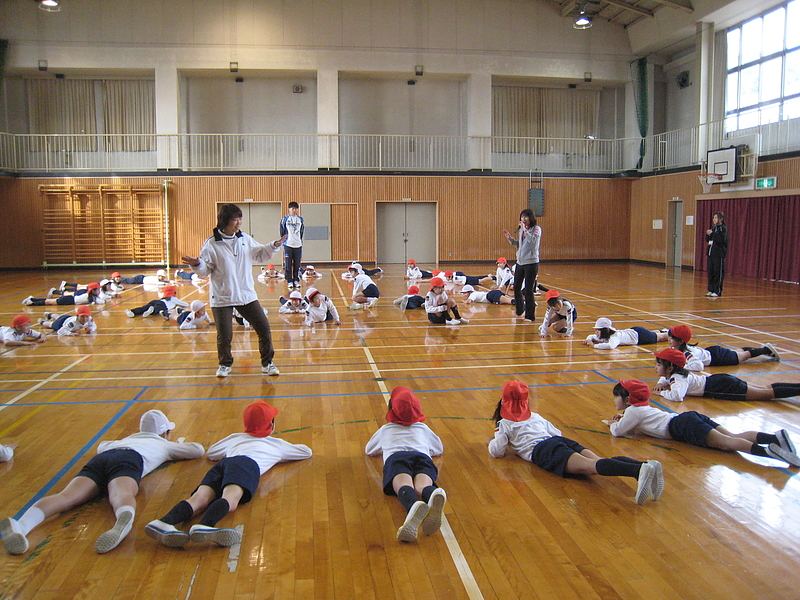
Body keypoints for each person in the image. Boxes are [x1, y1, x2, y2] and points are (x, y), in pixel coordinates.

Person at [0, 410, 204, 555]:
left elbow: (101, 446)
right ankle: (121, 523)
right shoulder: (163, 444)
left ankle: (21, 525)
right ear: (164, 432)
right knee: (120, 493)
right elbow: (197, 450)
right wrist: (174, 444)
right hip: (130, 459)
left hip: (102, 459)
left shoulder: (122, 440)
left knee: (66, 497)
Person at [144, 401, 311, 548]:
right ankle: (205, 525)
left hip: (225, 464)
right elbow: (306, 452)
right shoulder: (276, 444)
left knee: (200, 498)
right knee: (231, 498)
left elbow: (213, 453)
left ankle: (164, 522)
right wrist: (275, 456)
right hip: (247, 464)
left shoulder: (235, 437)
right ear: (271, 425)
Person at [488, 380, 663, 505]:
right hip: (559, 441)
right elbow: (556, 433)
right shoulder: (535, 416)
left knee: (592, 468)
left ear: (504, 401)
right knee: (598, 461)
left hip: (544, 451)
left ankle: (639, 469)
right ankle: (647, 466)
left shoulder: (504, 423)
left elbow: (497, 452)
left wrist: (493, 441)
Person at [182, 203, 286, 378]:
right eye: (234, 219)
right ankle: (224, 365)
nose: (238, 223)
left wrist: (274, 245)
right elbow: (205, 270)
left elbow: (260, 253)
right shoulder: (211, 244)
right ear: (224, 221)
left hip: (245, 294)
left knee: (263, 327)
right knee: (224, 335)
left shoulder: (244, 238)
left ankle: (267, 363)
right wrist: (196, 264)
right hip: (222, 296)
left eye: (240, 219)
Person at [607, 379, 800, 466]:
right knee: (731, 436)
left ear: (628, 399)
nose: (615, 400)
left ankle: (770, 452)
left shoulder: (632, 411)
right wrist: (624, 418)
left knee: (726, 444)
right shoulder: (638, 410)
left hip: (680, 426)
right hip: (687, 418)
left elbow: (617, 432)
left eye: (617, 397)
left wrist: (613, 424)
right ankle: (774, 437)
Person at [365, 387, 447, 542]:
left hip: (397, 458)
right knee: (421, 486)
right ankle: (431, 494)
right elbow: (438, 449)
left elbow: (369, 450)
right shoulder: (423, 428)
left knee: (404, 485)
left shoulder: (386, 429)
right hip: (422, 457)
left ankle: (413, 507)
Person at [651, 348, 800, 403]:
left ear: (670, 367)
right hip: (719, 380)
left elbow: (677, 396)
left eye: (659, 364)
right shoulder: (677, 373)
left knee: (767, 394)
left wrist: (663, 393)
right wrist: (661, 383)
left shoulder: (679, 378)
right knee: (765, 388)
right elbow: (667, 377)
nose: (656, 367)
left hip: (720, 386)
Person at [666, 325, 779, 371]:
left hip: (717, 357)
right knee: (739, 351)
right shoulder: (680, 349)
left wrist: (683, 368)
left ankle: (766, 350)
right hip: (712, 352)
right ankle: (763, 349)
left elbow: (699, 366)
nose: (669, 340)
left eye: (672, 338)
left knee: (744, 355)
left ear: (681, 341)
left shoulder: (686, 352)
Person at [503, 208, 541, 323]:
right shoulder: (522, 231)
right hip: (520, 262)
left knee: (528, 290)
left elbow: (532, 241)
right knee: (517, 287)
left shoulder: (536, 229)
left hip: (531, 263)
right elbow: (520, 245)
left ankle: (530, 315)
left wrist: (525, 230)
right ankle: (520, 310)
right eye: (522, 217)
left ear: (531, 218)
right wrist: (510, 238)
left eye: (526, 217)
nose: (523, 219)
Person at [582, 318, 668, 349]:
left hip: (641, 337)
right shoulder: (605, 336)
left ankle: (673, 334)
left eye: (598, 330)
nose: (596, 333)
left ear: (605, 330)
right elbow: (591, 336)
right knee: (655, 334)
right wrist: (588, 339)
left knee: (662, 337)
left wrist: (594, 346)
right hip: (634, 331)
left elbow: (610, 346)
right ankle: (664, 330)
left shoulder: (615, 337)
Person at [124, 285, 188, 320]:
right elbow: (185, 304)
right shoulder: (173, 298)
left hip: (157, 301)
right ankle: (152, 310)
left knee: (144, 308)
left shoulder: (163, 297)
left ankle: (132, 311)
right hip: (163, 305)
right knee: (157, 308)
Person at [280, 201, 305, 289]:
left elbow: (301, 231)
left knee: (297, 264)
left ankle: (296, 280)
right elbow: (282, 231)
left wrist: (298, 240)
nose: (294, 210)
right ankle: (289, 280)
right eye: (292, 208)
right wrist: (284, 241)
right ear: (289, 209)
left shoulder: (300, 219)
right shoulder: (285, 219)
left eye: (295, 208)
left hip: (298, 245)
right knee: (288, 264)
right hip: (288, 245)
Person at [22, 282, 104, 307]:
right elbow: (101, 302)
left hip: (70, 299)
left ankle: (32, 299)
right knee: (49, 302)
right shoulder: (89, 297)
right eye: (98, 289)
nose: (99, 291)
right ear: (93, 291)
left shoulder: (92, 296)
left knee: (49, 301)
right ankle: (32, 302)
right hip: (68, 300)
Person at [705, 211, 727, 297]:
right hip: (711, 253)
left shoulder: (723, 229)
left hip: (718, 254)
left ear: (721, 219)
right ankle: (711, 289)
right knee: (711, 272)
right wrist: (708, 235)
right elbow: (709, 240)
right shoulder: (713, 228)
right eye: (713, 218)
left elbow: (721, 240)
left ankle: (717, 290)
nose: (714, 219)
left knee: (718, 272)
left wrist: (713, 234)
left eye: (716, 218)